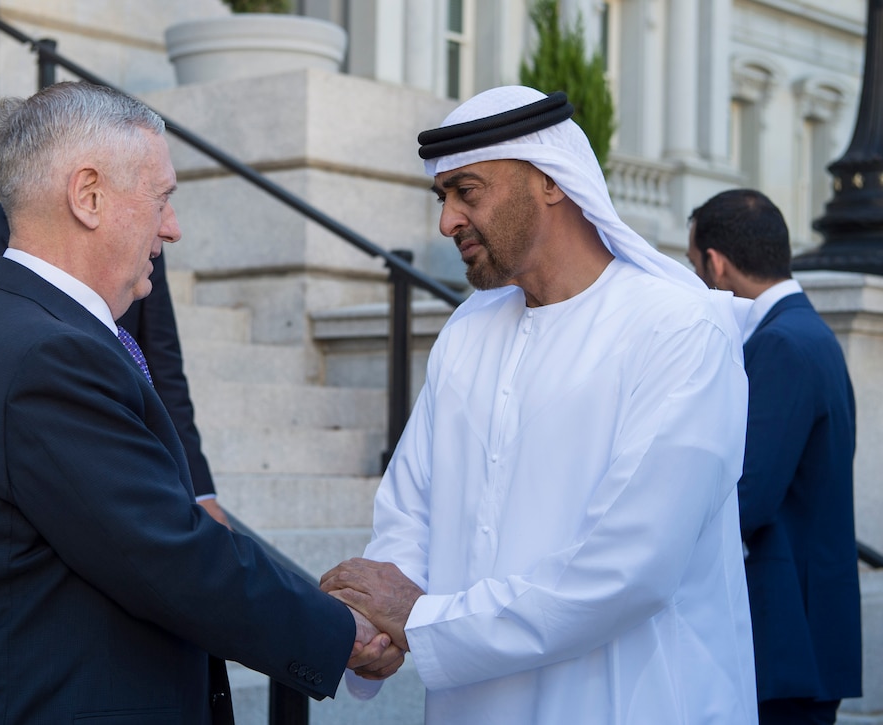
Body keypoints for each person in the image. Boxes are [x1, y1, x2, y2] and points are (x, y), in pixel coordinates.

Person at [0, 80, 402, 723]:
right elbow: (167, 553)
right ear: (88, 196)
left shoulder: (19, 323)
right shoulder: (46, 356)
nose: (171, 228)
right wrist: (344, 632)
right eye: (161, 198)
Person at [320, 86, 758, 724]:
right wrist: (370, 624)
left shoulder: (679, 329)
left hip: (630, 702)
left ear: (551, 181)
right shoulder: (469, 329)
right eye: (441, 197)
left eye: (467, 191)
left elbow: (627, 571)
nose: (447, 221)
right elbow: (411, 512)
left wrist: (419, 619)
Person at [0, 201, 229, 526]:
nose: (171, 228)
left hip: (130, 452)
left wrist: (199, 490)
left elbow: (164, 364)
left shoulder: (139, 236)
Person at [688, 188, 861, 725]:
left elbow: (749, 497)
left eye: (694, 267)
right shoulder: (809, 333)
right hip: (802, 627)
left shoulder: (781, 343)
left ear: (716, 264)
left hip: (786, 634)